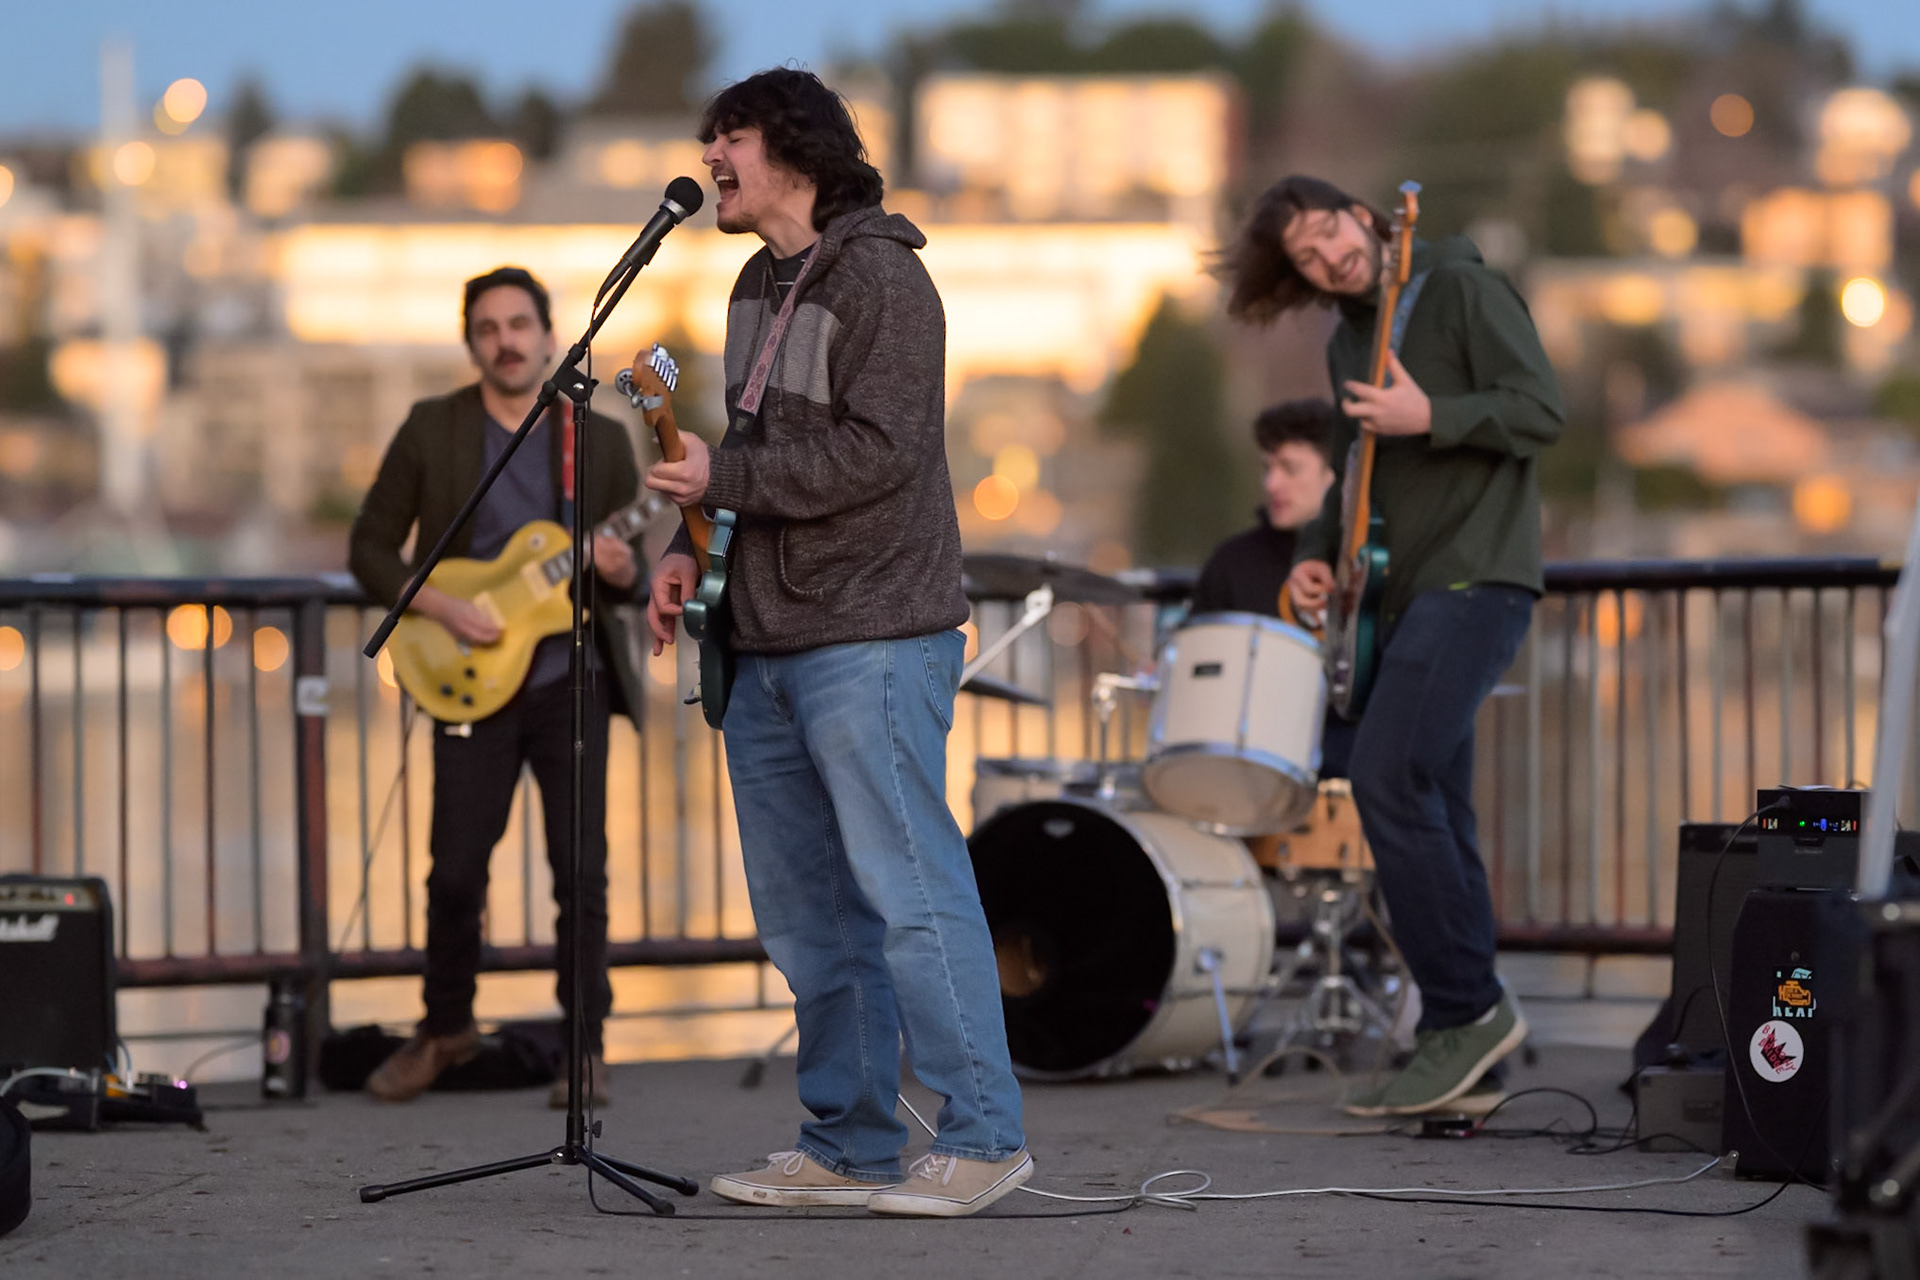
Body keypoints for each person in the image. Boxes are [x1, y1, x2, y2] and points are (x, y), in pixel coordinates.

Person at [643, 69, 1030, 1218]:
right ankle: (850, 1141)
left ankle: (985, 1136)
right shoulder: (757, 285)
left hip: (871, 633)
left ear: (796, 152)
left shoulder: (886, 278)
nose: (710, 150)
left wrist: (729, 475)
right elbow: (748, 455)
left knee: (909, 890)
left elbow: (880, 453)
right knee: (811, 913)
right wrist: (684, 537)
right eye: (708, 134)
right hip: (765, 641)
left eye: (732, 135)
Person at [1220, 175, 1564, 1116]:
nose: (1329, 254)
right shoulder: (1346, 344)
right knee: (1440, 806)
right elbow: (1347, 484)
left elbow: (1542, 409)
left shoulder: (1459, 290)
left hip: (1478, 576)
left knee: (1384, 777)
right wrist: (1311, 559)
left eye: (1331, 229)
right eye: (1305, 256)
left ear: (1364, 217)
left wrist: (1435, 417)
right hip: (1404, 597)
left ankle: (1466, 1008)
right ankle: (1466, 1054)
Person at [348, 266, 646, 1108]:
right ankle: (445, 1029)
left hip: (570, 679)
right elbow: (369, 547)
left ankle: (582, 1051)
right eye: (488, 327)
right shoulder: (433, 428)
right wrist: (444, 605)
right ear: (471, 341)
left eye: (520, 324)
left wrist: (622, 569)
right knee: (453, 874)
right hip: (468, 678)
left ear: (552, 338)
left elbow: (628, 573)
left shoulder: (601, 439)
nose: (506, 341)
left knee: (580, 873)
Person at [1189, 398, 1337, 617]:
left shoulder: (1363, 566)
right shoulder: (1232, 565)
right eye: (1267, 468)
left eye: (1290, 468)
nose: (1271, 484)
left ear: (1336, 474)